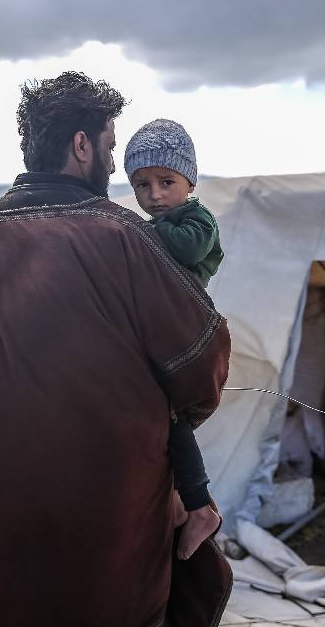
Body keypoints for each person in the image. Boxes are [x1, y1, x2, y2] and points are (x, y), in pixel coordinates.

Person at [0, 71, 232, 627]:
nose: (114, 167)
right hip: (115, 511)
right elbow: (201, 361)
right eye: (111, 149)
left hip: (6, 499)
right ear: (80, 145)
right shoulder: (121, 235)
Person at [124, 119, 225, 562]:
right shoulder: (152, 227)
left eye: (167, 181)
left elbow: (186, 249)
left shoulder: (196, 220)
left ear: (189, 181)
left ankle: (201, 506)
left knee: (172, 418)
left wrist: (139, 233)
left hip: (183, 333)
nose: (155, 195)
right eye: (142, 185)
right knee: (164, 424)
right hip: (157, 329)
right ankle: (186, 500)